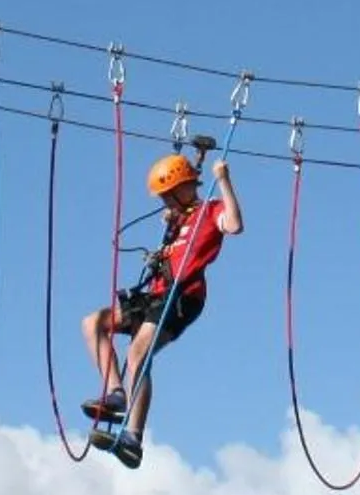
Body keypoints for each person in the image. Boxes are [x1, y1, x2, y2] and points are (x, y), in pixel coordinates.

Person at [80, 150, 245, 470]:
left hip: (183, 297)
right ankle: (116, 393)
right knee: (93, 323)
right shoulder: (178, 220)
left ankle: (132, 439)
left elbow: (235, 225)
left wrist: (224, 181)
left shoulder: (210, 211)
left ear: (184, 189)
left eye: (168, 196)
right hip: (155, 295)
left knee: (138, 354)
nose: (164, 203)